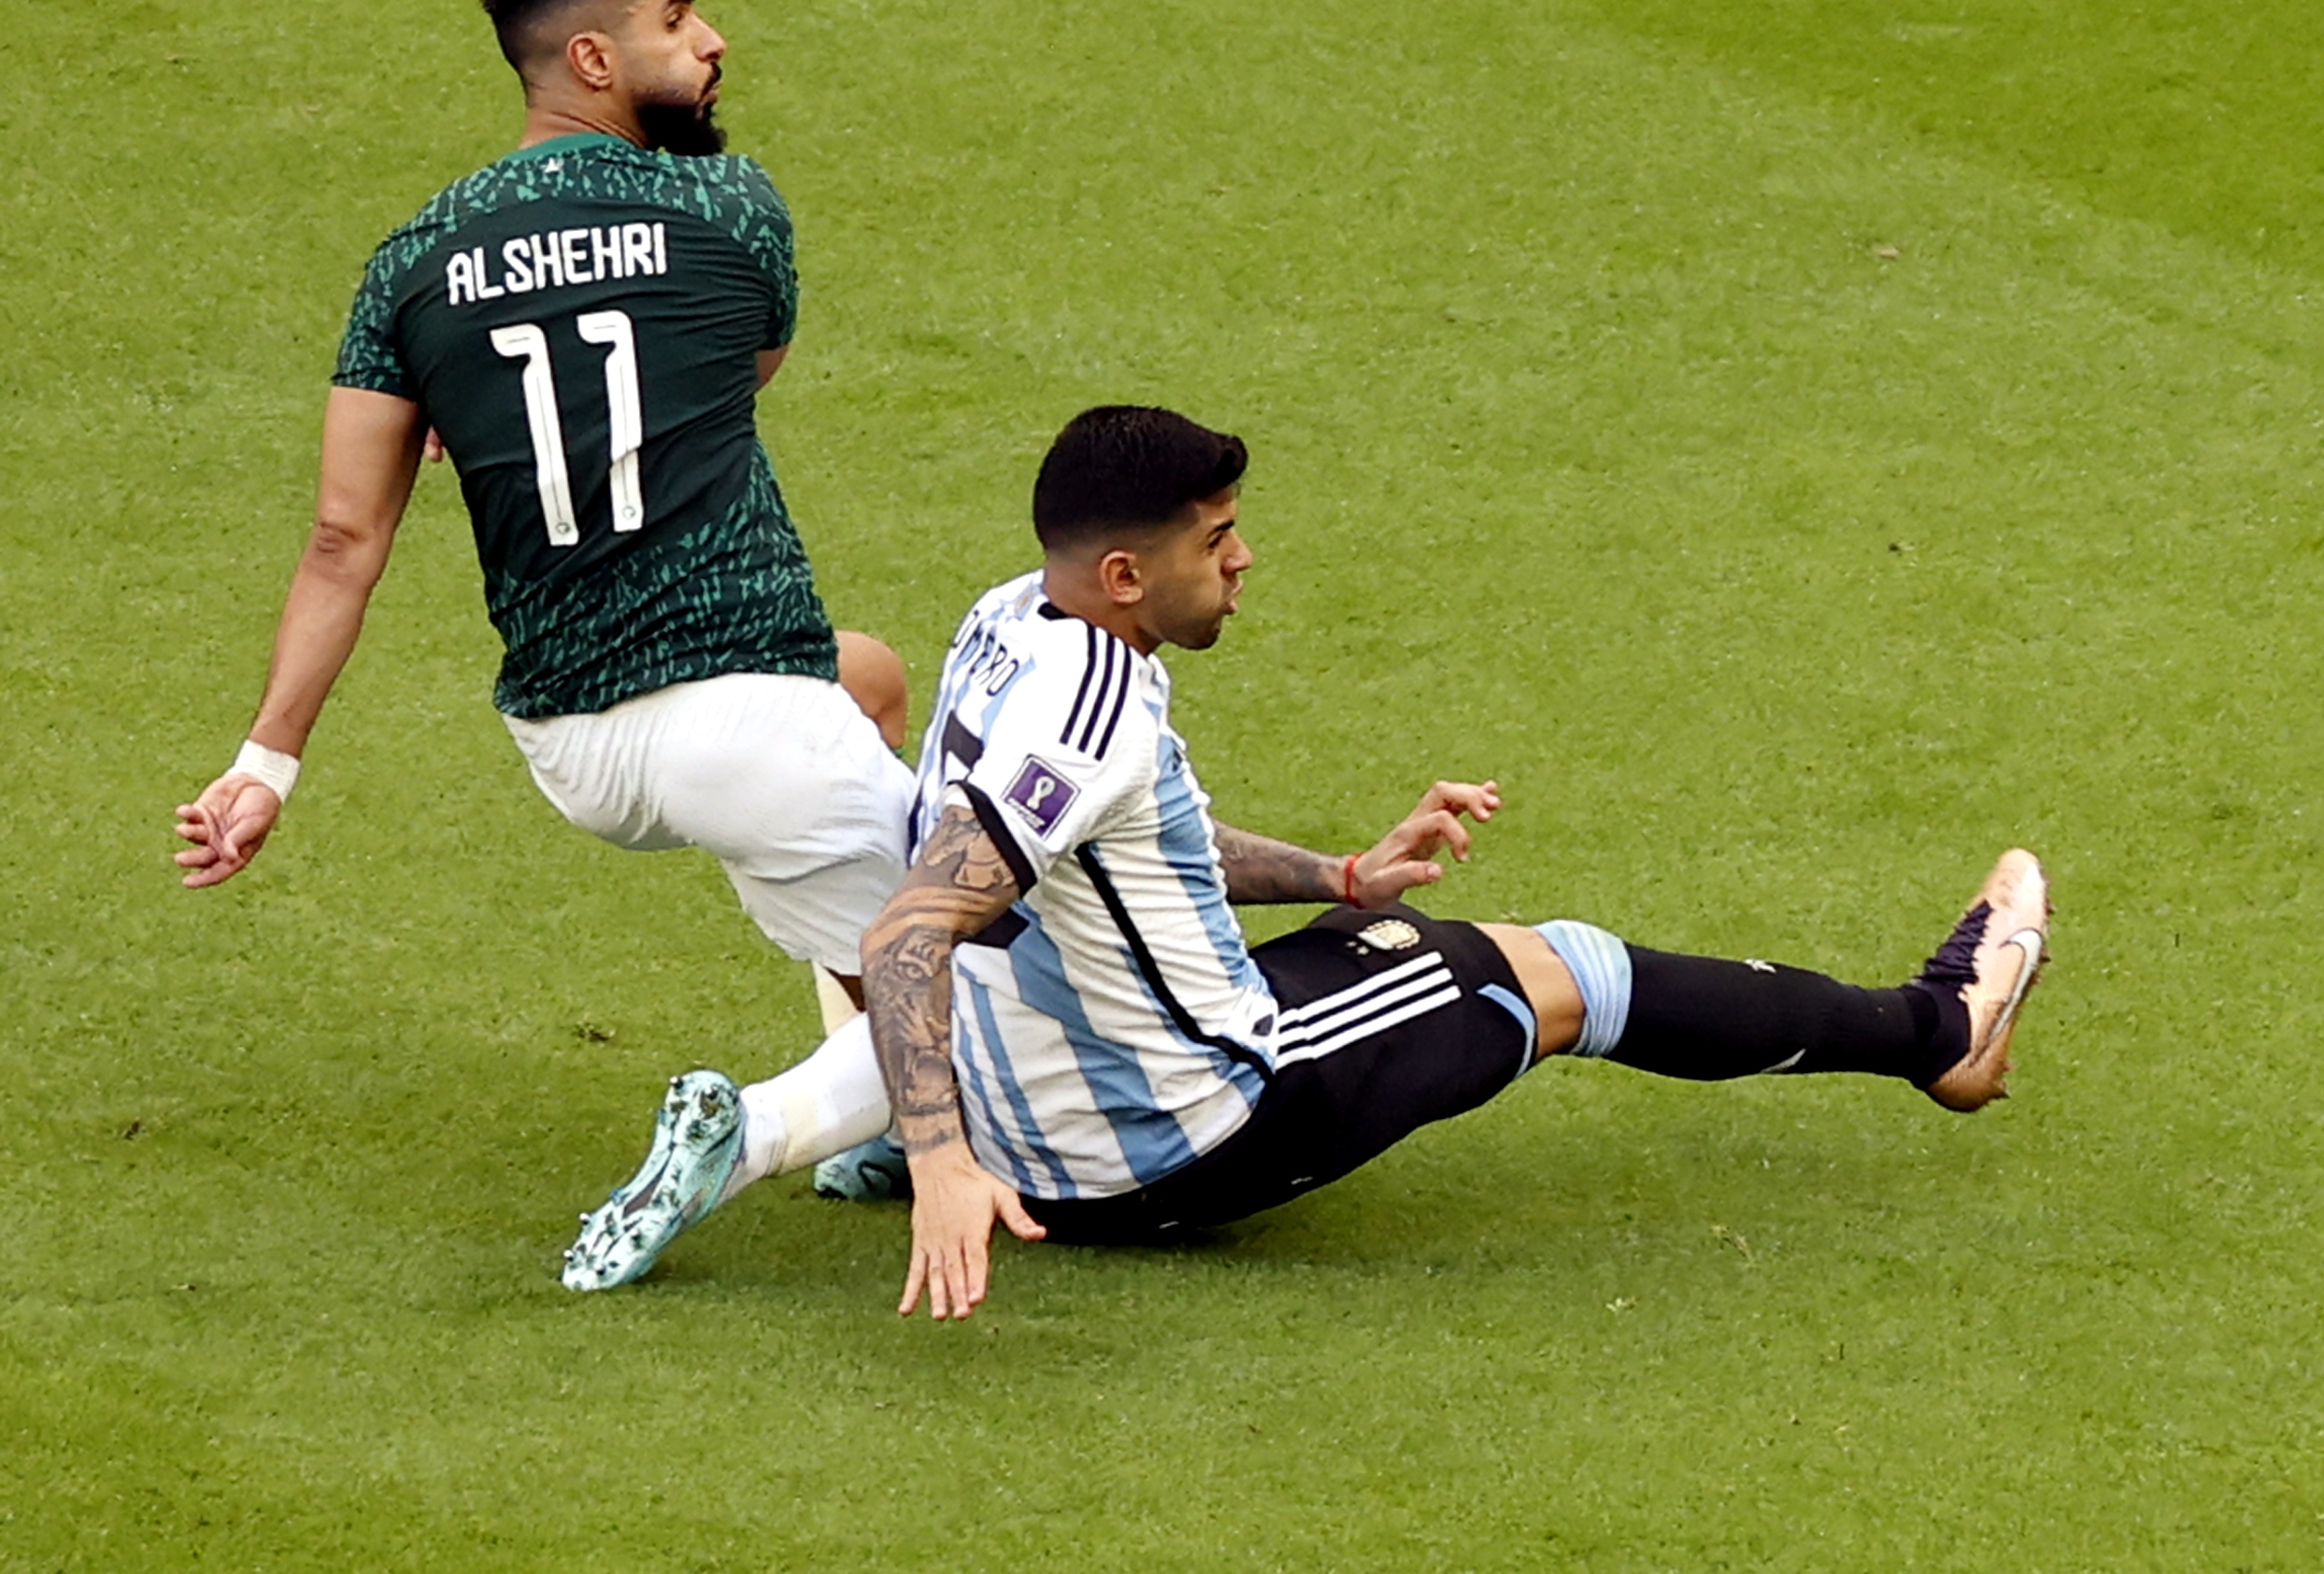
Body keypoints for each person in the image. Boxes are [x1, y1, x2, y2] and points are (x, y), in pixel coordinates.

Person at [818, 403, 2044, 1317]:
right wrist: (940, 1165)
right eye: (1218, 539)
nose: (1243, 559)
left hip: (1045, 1125)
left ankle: (939, 1136)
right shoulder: (1085, 715)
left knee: (1372, 938)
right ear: (1127, 574)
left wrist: (1340, 875)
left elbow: (1125, 854)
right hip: (1179, 1135)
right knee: (1552, 972)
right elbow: (910, 932)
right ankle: (1941, 1032)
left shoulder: (1011, 619)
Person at [167, 0, 924, 1288]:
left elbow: (344, 536)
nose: (712, 41)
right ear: (592, 58)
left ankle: (874, 1136)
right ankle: (755, 1135)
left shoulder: (413, 261)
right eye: (678, 16)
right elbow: (735, 373)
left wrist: (262, 765)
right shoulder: (731, 205)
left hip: (573, 744)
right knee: (978, 991)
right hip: (747, 728)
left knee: (866, 678)